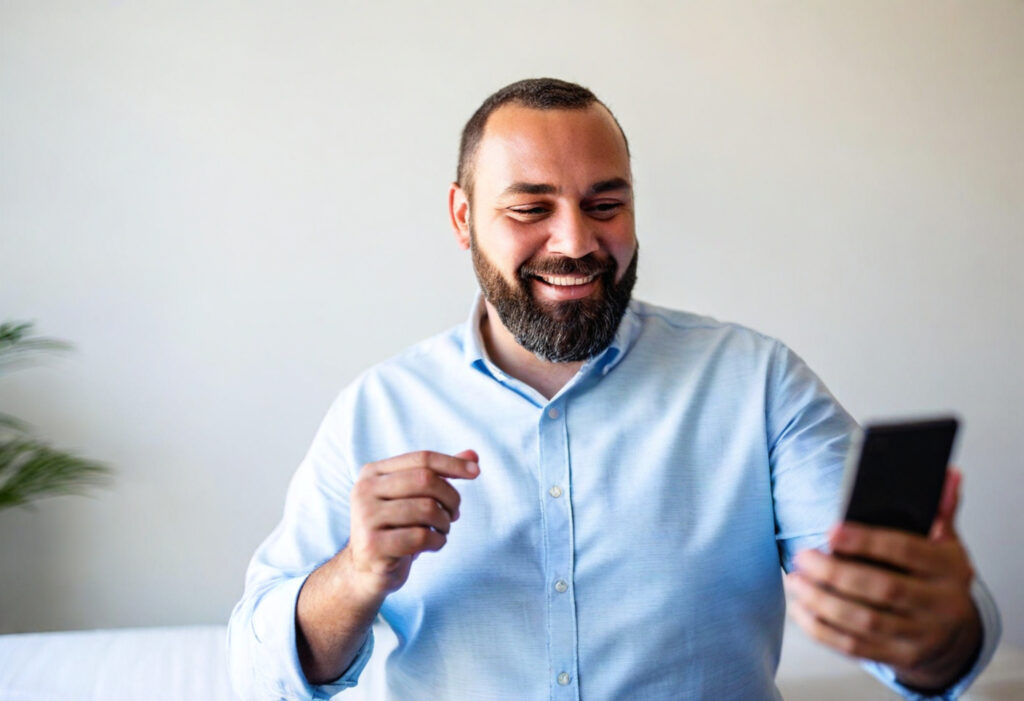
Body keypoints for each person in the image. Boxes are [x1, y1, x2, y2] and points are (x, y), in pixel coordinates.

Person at [227, 78, 1000, 700]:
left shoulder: (759, 385)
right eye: (531, 208)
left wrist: (934, 629)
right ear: (462, 217)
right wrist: (355, 575)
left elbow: (911, 622)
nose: (575, 242)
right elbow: (258, 676)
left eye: (605, 205)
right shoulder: (376, 409)